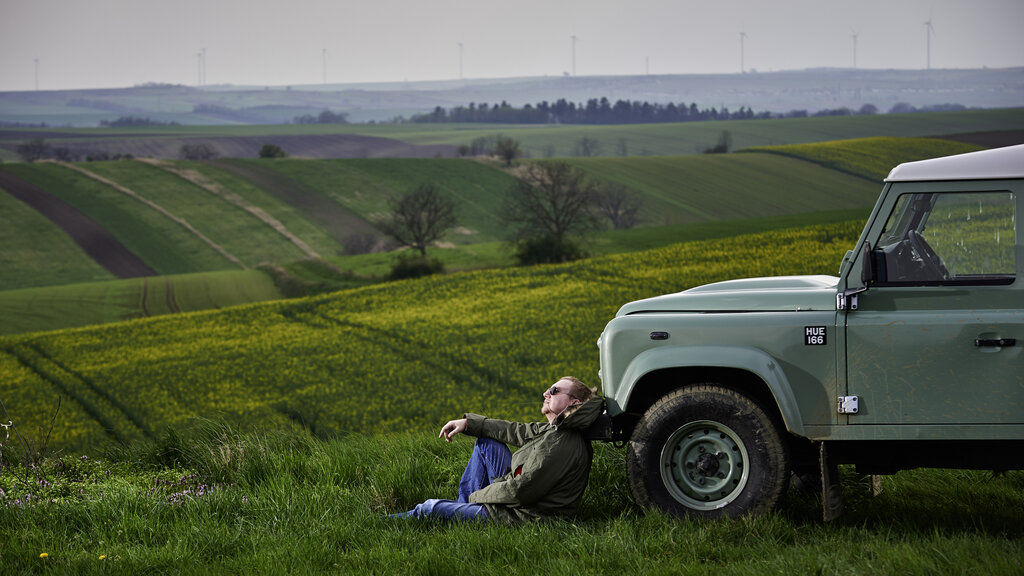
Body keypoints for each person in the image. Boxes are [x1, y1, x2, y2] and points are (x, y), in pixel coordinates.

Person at [390, 376, 604, 523]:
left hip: (526, 517)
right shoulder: (558, 429)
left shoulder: (561, 443)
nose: (545, 393)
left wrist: (478, 496)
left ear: (573, 402)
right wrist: (469, 424)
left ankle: (383, 522)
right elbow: (517, 431)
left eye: (554, 390)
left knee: (430, 508)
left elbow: (520, 491)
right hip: (520, 501)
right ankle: (462, 513)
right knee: (487, 443)